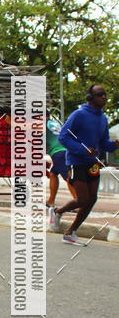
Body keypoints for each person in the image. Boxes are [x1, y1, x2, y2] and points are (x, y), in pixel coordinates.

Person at [50, 85, 118, 245]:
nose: (104, 97)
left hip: (92, 163)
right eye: (100, 94)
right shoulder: (79, 114)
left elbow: (103, 143)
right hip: (76, 161)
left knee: (92, 199)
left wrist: (115, 145)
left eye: (105, 94)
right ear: (90, 97)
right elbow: (63, 137)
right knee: (82, 199)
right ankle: (57, 212)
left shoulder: (103, 118)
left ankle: (70, 232)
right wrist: (82, 149)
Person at [46, 111, 76, 224]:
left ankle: (77, 202)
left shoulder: (41, 124)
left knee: (67, 177)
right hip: (65, 149)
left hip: (58, 152)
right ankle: (51, 201)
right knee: (53, 173)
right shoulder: (55, 123)